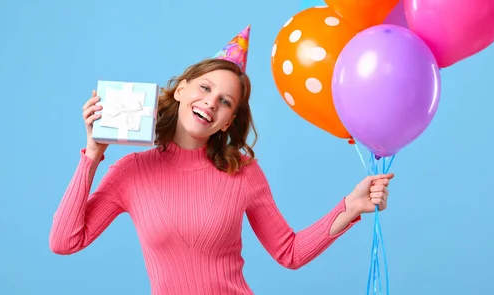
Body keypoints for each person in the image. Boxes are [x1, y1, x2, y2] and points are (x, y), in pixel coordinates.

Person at [49, 25, 394, 295]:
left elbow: (289, 252)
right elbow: (64, 242)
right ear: (182, 89)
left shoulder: (242, 172)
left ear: (227, 121)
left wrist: (349, 207)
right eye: (204, 88)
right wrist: (92, 156)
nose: (211, 102)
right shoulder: (131, 172)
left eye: (225, 101)